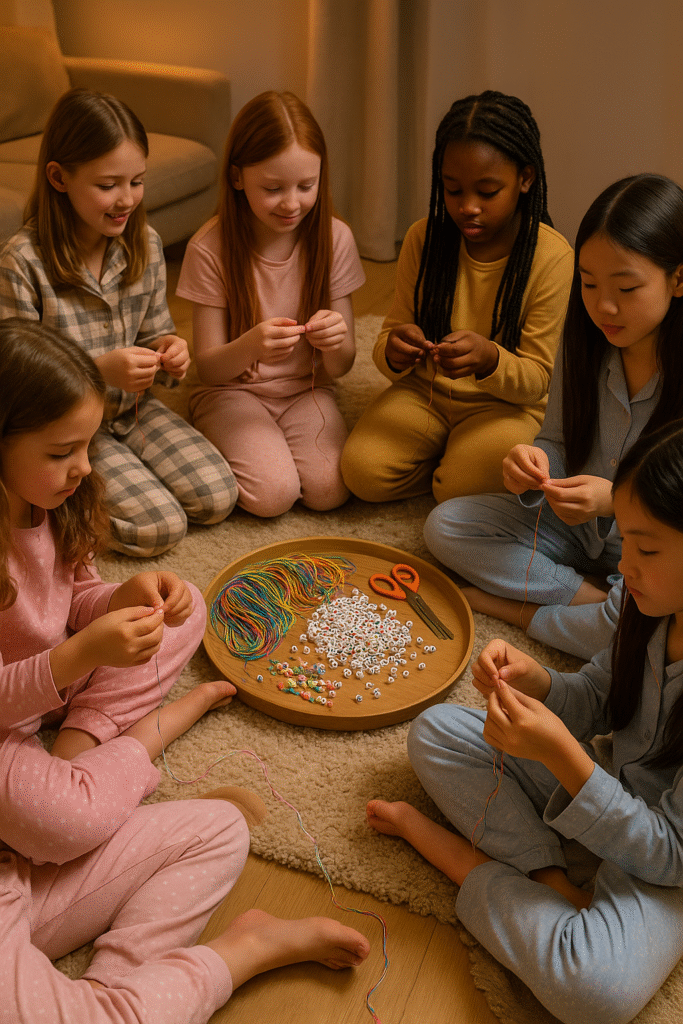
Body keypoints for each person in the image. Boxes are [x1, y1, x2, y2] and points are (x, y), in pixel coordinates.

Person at [0, 318, 370, 1023]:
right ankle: (146, 739)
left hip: (41, 708)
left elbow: (76, 594)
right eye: (61, 452)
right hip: (12, 721)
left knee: (184, 614)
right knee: (71, 817)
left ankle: (81, 750)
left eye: (87, 446)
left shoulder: (49, 500)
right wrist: (82, 657)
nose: (84, 468)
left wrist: (122, 601)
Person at [369, 417, 683, 1024]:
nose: (624, 569)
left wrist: (562, 756)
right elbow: (600, 695)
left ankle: (466, 865)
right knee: (438, 730)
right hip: (612, 787)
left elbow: (670, 855)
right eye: (625, 542)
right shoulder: (647, 603)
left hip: (669, 857)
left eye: (645, 550)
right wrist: (540, 682)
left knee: (596, 994)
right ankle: (550, 878)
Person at [424, 172, 683, 661]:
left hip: (652, 546)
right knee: (446, 526)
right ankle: (594, 603)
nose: (603, 306)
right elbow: (558, 439)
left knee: (658, 633)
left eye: (627, 288)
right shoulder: (585, 339)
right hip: (574, 529)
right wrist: (534, 462)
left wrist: (613, 500)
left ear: (678, 278)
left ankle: (532, 610)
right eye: (588, 283)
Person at [0, 87, 237, 557]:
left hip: (134, 411)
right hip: (64, 436)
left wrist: (170, 349)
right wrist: (98, 371)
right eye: (108, 185)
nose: (126, 199)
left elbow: (154, 332)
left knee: (218, 496)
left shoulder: (144, 243)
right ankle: (41, 507)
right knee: (160, 527)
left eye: (137, 181)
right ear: (59, 177)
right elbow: (15, 383)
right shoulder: (22, 262)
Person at [341, 90, 573, 504]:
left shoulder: (551, 257)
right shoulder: (423, 239)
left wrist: (490, 358)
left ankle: (450, 464)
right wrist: (394, 351)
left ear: (526, 178)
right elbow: (387, 339)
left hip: (505, 406)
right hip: (425, 393)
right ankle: (445, 456)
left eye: (487, 192)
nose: (467, 207)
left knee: (455, 489)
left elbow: (538, 381)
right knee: (362, 473)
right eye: (452, 190)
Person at [176, 90, 366, 518]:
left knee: (330, 489)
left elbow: (341, 367)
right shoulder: (209, 247)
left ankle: (267, 445)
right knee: (273, 494)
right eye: (273, 188)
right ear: (237, 177)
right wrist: (251, 346)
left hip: (306, 389)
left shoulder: (335, 238)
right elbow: (208, 369)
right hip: (232, 392)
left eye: (306, 186)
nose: (292, 203)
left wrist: (335, 342)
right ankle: (228, 436)